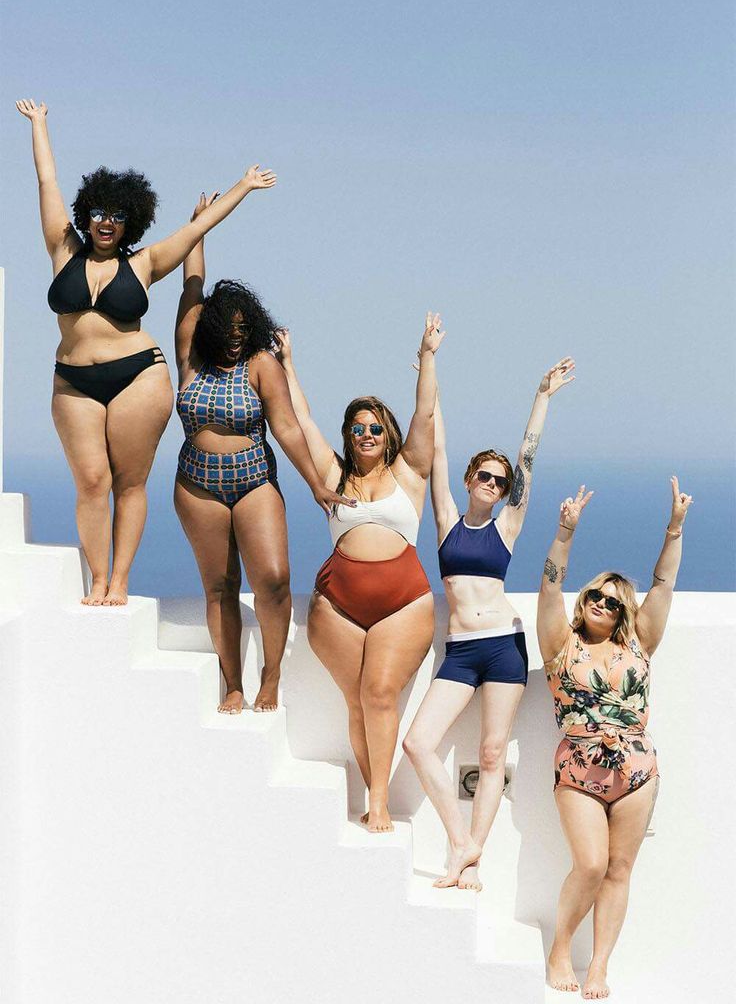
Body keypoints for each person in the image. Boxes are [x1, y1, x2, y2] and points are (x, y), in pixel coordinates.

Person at [16, 97, 275, 606]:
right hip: (72, 379)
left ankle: (120, 581)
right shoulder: (62, 248)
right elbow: (48, 183)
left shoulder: (146, 262)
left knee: (129, 483)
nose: (105, 222)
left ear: (129, 220)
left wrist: (243, 186)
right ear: (85, 217)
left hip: (138, 376)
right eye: (97, 213)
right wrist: (40, 124)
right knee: (91, 480)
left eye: (116, 215)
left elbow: (197, 229)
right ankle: (96, 577)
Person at [174, 194, 353, 713]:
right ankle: (233, 682)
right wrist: (198, 233)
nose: (233, 342)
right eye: (225, 333)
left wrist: (317, 484)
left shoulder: (260, 364)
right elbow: (191, 289)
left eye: (240, 333)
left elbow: (289, 430)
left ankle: (271, 675)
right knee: (220, 586)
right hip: (197, 484)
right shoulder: (191, 351)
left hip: (254, 481)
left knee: (273, 581)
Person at [402, 359, 575, 890]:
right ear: (469, 479)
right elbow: (437, 443)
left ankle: (471, 859)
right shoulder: (447, 520)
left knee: (492, 752)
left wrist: (541, 395)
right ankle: (462, 841)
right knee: (417, 743)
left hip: (504, 646)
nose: (493, 484)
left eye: (500, 482)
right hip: (460, 650)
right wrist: (431, 369)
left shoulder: (508, 525)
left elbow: (528, 459)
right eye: (485, 476)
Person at [275, 315, 444, 831]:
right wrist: (287, 363)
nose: (366, 434)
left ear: (386, 434)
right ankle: (374, 796)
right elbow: (301, 421)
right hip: (338, 604)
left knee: (379, 694)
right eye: (357, 428)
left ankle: (380, 800)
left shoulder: (409, 472)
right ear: (348, 437)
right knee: (356, 701)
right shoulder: (332, 475)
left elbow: (424, 412)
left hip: (404, 603)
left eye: (374, 428)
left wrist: (428, 356)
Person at [537, 478, 692, 999]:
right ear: (584, 601)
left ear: (624, 611)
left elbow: (664, 585)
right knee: (591, 864)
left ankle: (599, 966)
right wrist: (564, 531)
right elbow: (549, 585)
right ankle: (561, 947)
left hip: (636, 771)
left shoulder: (641, 643)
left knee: (620, 870)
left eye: (612, 600)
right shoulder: (561, 644)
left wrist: (675, 528)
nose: (602, 602)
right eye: (595, 595)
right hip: (579, 769)